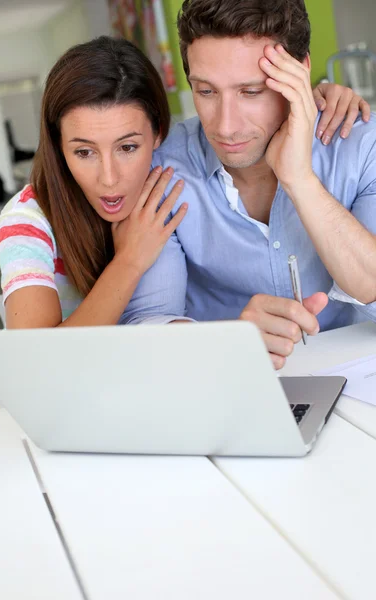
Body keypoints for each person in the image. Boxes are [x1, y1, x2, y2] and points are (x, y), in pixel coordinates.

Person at [0, 33, 370, 412]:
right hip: (19, 416)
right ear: (58, 146)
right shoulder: (32, 220)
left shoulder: (159, 178)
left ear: (158, 136)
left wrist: (313, 98)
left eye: (129, 147)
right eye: (83, 152)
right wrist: (130, 261)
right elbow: (37, 375)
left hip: (125, 396)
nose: (110, 178)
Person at [117, 0, 376, 370]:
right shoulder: (163, 167)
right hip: (221, 384)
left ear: (299, 74)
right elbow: (148, 323)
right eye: (206, 92)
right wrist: (228, 341)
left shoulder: (362, 145)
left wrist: (300, 180)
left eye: (251, 92)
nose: (225, 126)